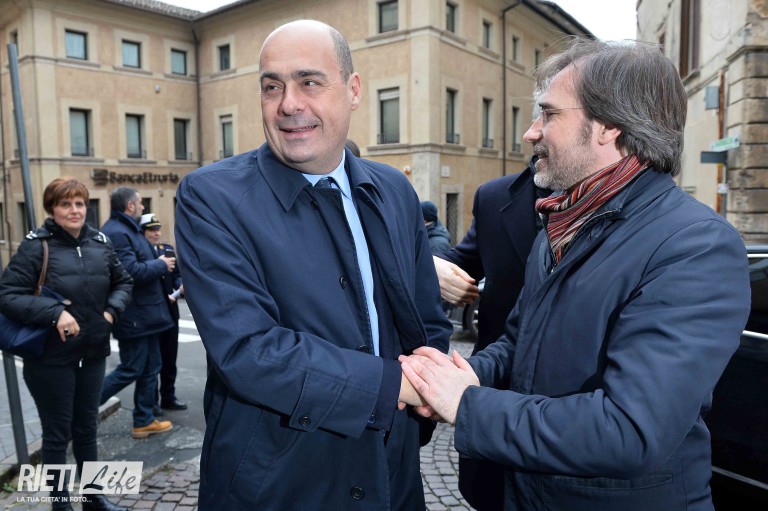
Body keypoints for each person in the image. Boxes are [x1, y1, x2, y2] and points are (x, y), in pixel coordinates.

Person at [400, 39, 751, 510]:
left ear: (608, 126)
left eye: (548, 114)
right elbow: (518, 344)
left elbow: (630, 431)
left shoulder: (695, 246)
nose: (531, 132)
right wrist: (452, 375)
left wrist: (465, 404)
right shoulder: (563, 223)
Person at [174, 20, 452, 510]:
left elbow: (426, 321)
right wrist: (401, 388)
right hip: (277, 482)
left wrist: (421, 407)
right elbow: (249, 350)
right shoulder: (211, 197)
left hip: (392, 473)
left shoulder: (394, 189)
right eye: (272, 87)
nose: (288, 104)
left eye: (309, 82)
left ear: (353, 90)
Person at [0, 178, 133, 511]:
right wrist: (54, 312)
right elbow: (8, 295)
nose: (74, 210)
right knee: (57, 434)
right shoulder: (36, 246)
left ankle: (93, 498)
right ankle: (61, 504)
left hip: (92, 353)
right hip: (50, 359)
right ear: (52, 209)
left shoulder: (100, 243)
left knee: (86, 428)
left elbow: (124, 282)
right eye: (65, 204)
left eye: (79, 203)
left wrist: (111, 312)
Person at [432, 156, 550, 510]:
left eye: (547, 123)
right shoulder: (493, 197)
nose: (530, 133)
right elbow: (461, 261)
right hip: (496, 386)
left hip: (574, 414)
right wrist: (430, 264)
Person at [99, 187, 175, 439]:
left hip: (147, 315)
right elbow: (130, 272)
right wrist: (160, 264)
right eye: (140, 203)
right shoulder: (118, 232)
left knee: (151, 367)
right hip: (134, 315)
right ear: (130, 205)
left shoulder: (128, 229)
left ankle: (143, 420)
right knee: (131, 368)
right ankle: (82, 407)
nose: (143, 207)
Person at [140, 213, 186, 412]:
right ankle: (151, 401)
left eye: (158, 229)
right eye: (152, 230)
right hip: (151, 312)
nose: (156, 233)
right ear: (143, 232)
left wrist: (179, 286)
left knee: (169, 357)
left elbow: (176, 275)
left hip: (170, 310)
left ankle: (168, 396)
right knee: (152, 360)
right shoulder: (142, 252)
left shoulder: (166, 249)